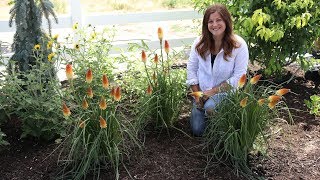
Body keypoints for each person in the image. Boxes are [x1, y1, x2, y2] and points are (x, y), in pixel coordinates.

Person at [186, 3, 249, 136]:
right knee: (198, 130)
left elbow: (239, 77)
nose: (215, 25)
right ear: (206, 24)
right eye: (210, 21)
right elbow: (191, 70)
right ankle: (213, 121)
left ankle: (225, 130)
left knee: (210, 107)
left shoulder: (238, 45)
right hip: (202, 94)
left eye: (218, 20)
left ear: (226, 21)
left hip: (227, 93)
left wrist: (213, 92)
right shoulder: (199, 43)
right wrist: (198, 97)